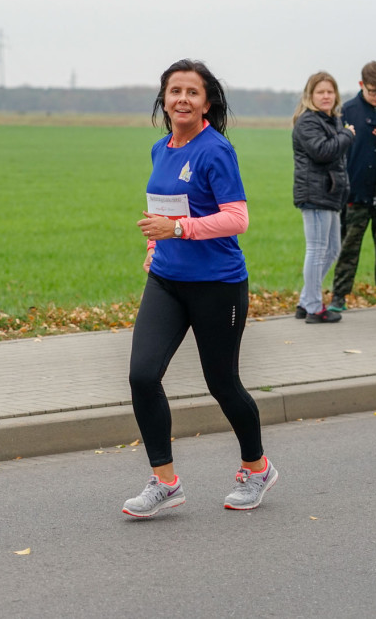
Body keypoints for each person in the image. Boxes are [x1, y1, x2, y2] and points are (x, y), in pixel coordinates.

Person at [123, 59, 278, 518]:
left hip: (218, 285)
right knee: (142, 376)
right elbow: (165, 210)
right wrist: (158, 245)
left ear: (207, 101)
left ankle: (257, 467)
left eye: (193, 92)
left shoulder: (216, 151)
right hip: (167, 281)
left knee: (223, 383)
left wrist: (179, 230)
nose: (183, 99)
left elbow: (237, 218)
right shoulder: (160, 149)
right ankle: (165, 482)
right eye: (175, 91)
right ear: (164, 99)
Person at [329, 62, 376, 312]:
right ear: (362, 85)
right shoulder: (345, 112)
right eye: (372, 91)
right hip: (355, 191)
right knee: (348, 246)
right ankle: (339, 296)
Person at [291, 71, 355, 323]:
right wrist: (347, 136)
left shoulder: (331, 120)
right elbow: (322, 151)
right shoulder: (308, 121)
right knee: (318, 250)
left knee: (332, 250)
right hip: (315, 193)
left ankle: (305, 301)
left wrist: (342, 133)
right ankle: (314, 308)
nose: (326, 96)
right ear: (310, 95)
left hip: (330, 193)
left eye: (330, 92)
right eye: (321, 92)